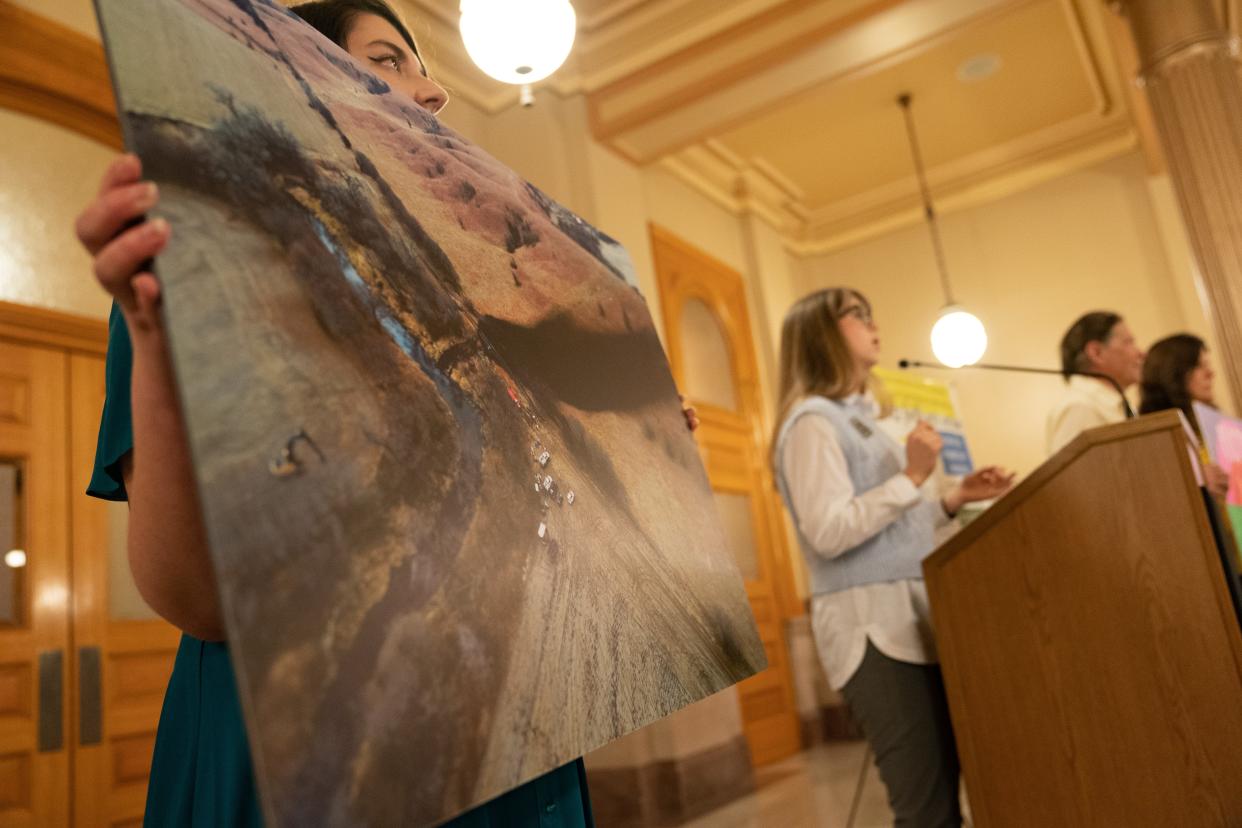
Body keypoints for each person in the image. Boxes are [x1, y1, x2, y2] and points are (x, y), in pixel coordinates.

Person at [77, 1, 696, 824]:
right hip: (310, 751)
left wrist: (643, 457)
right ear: (302, 82)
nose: (434, 91)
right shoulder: (182, 271)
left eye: (422, 66)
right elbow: (193, 597)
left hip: (512, 740)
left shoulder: (479, 298)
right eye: (390, 61)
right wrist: (157, 333)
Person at [770, 288, 1013, 827]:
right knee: (925, 809)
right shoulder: (812, 421)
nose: (872, 321)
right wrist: (914, 477)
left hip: (913, 616)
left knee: (950, 797)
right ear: (822, 334)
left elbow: (889, 527)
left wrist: (951, 500)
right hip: (871, 627)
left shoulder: (863, 418)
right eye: (856, 314)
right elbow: (829, 530)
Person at [1139, 333, 1230, 498]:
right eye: (1200, 366)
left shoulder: (1215, 424)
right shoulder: (1154, 437)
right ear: (1174, 373)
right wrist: (1197, 478)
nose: (1210, 373)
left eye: (1207, 364)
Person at [1046, 311, 1145, 455]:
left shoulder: (1118, 407)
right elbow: (1076, 477)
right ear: (1096, 353)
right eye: (1128, 342)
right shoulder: (1079, 408)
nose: (1140, 353)